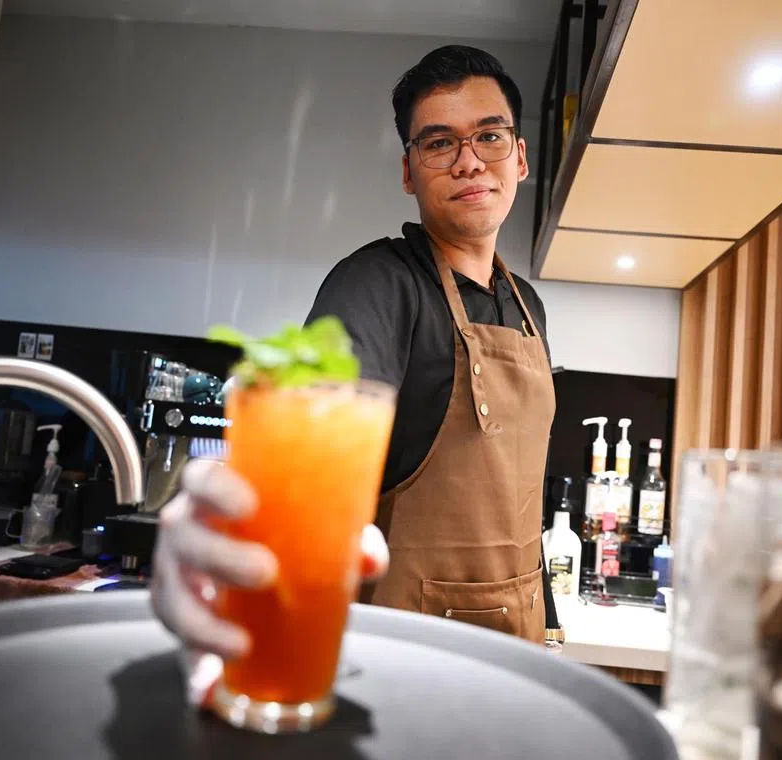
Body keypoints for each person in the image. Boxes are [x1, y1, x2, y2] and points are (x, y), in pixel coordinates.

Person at [151, 45, 559, 668]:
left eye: (489, 136)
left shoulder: (527, 302)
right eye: (439, 143)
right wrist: (234, 527)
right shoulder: (377, 285)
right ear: (408, 171)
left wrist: (548, 617)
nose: (469, 161)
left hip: (519, 645)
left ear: (520, 157)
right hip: (405, 647)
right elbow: (305, 453)